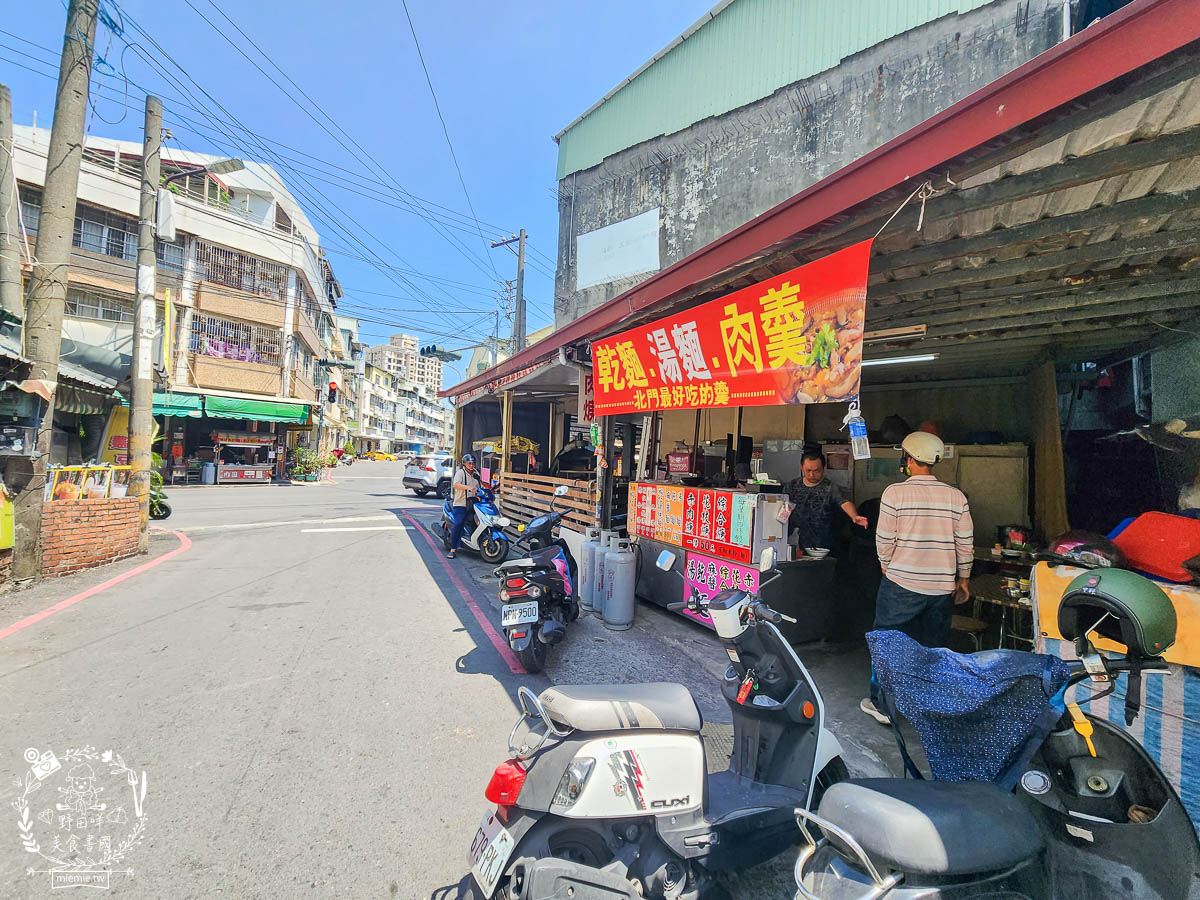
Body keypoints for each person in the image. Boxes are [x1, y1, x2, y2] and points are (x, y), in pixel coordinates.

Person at [861, 431, 973, 726]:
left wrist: (886, 565)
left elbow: (884, 539)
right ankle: (929, 704)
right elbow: (965, 543)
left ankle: (883, 706)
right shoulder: (956, 497)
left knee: (886, 641)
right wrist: (964, 579)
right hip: (941, 588)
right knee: (934, 646)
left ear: (908, 460)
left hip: (901, 583)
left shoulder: (895, 493)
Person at [786, 450, 868, 550]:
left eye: (816, 471)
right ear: (801, 467)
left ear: (823, 468)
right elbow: (780, 505)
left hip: (822, 544)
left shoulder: (831, 488)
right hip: (794, 542)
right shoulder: (792, 486)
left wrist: (854, 516)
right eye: (808, 470)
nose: (812, 475)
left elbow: (844, 502)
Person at [447, 453, 481, 559]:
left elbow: (479, 487)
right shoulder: (460, 473)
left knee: (479, 522)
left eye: (473, 463)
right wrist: (468, 487)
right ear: (465, 464)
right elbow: (455, 485)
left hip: (473, 504)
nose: (472, 465)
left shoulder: (476, 474)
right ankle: (453, 549)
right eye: (469, 463)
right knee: (458, 524)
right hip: (460, 504)